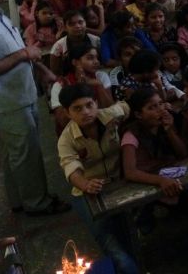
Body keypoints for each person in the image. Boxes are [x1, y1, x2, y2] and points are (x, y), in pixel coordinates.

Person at [0, 0, 70, 216]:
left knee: (15, 151)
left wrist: (41, 69)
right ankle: (37, 203)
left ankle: (18, 199)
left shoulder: (1, 17)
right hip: (7, 101)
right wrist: (24, 55)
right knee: (26, 152)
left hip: (21, 92)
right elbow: (22, 53)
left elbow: (20, 49)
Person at [56, 84, 136, 273]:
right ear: (67, 113)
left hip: (118, 184)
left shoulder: (112, 115)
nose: (86, 112)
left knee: (128, 234)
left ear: (96, 103)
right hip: (87, 193)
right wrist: (85, 184)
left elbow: (130, 107)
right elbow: (71, 169)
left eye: (89, 105)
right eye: (77, 109)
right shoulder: (66, 140)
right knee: (107, 240)